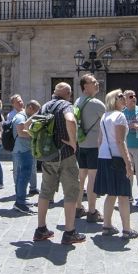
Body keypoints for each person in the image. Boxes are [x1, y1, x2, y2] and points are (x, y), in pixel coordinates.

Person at [33, 82, 86, 245]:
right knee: (70, 192)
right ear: (68, 94)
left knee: (45, 192)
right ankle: (69, 232)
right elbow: (70, 120)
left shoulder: (45, 106)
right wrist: (72, 141)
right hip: (65, 154)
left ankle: (41, 229)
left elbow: (29, 126)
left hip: (48, 155)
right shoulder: (66, 105)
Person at [95, 89, 138, 238]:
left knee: (111, 193)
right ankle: (127, 229)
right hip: (117, 158)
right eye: (120, 96)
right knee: (123, 195)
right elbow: (120, 141)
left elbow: (99, 141)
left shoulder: (104, 116)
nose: (124, 98)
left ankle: (106, 226)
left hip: (104, 157)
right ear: (114, 100)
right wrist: (128, 163)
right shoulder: (119, 116)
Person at [74, 74, 106, 223]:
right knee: (92, 178)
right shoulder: (97, 104)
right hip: (94, 146)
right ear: (85, 86)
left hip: (81, 145)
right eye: (93, 82)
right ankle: (92, 211)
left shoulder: (77, 102)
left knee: (82, 177)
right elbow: (106, 125)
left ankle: (78, 207)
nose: (97, 83)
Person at [11, 95, 37, 213]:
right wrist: (36, 134)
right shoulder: (21, 117)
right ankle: (20, 202)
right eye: (35, 111)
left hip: (24, 149)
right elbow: (21, 133)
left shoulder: (24, 116)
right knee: (23, 176)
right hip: (23, 150)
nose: (35, 114)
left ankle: (21, 199)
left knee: (23, 175)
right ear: (30, 108)